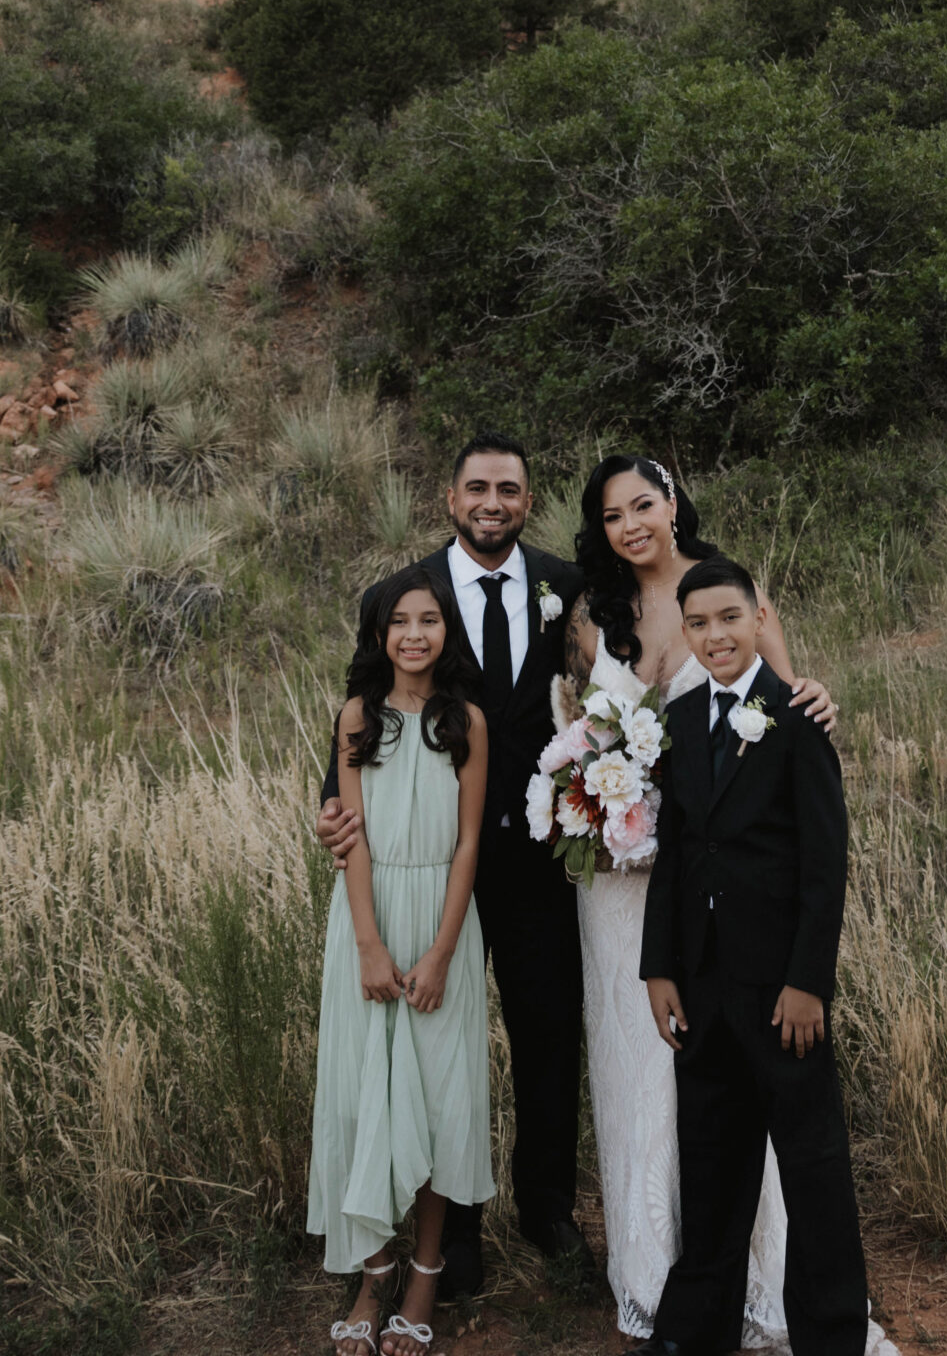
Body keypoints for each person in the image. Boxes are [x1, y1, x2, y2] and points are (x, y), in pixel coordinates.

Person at [561, 456, 840, 1347]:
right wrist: (592, 803)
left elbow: (784, 721)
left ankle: (767, 1279)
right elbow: (578, 732)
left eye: (643, 502)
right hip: (624, 890)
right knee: (645, 1077)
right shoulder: (587, 616)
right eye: (611, 514)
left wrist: (819, 702)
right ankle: (657, 1275)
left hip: (738, 910)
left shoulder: (729, 598)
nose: (630, 523)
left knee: (740, 1087)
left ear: (672, 502)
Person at [318, 435, 588, 1300]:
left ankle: (546, 1211)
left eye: (509, 488)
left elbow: (607, 697)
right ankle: (455, 1232)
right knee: (439, 1051)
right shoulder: (404, 595)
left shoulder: (564, 587)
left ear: (527, 497)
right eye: (478, 487)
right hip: (432, 871)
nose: (493, 502)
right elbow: (364, 713)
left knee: (547, 1040)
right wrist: (332, 804)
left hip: (541, 861)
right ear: (449, 496)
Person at [641, 558, 873, 1356]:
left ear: (758, 617)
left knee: (811, 1169)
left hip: (781, 993)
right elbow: (675, 851)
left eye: (728, 619)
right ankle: (692, 1332)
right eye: (698, 623)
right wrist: (659, 967)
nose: (714, 636)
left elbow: (824, 861)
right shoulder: (679, 718)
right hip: (702, 987)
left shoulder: (796, 716)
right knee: (709, 1163)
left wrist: (808, 981)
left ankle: (833, 1335)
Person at [307, 563, 492, 1355]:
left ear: (446, 632)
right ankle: (372, 1269)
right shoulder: (357, 715)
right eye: (398, 623)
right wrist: (370, 943)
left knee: (438, 1100)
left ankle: (424, 1272)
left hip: (443, 922)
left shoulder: (468, 723)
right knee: (361, 1096)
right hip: (368, 917)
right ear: (378, 635)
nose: (414, 635)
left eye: (429, 620)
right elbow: (349, 837)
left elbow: (468, 843)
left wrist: (444, 951)